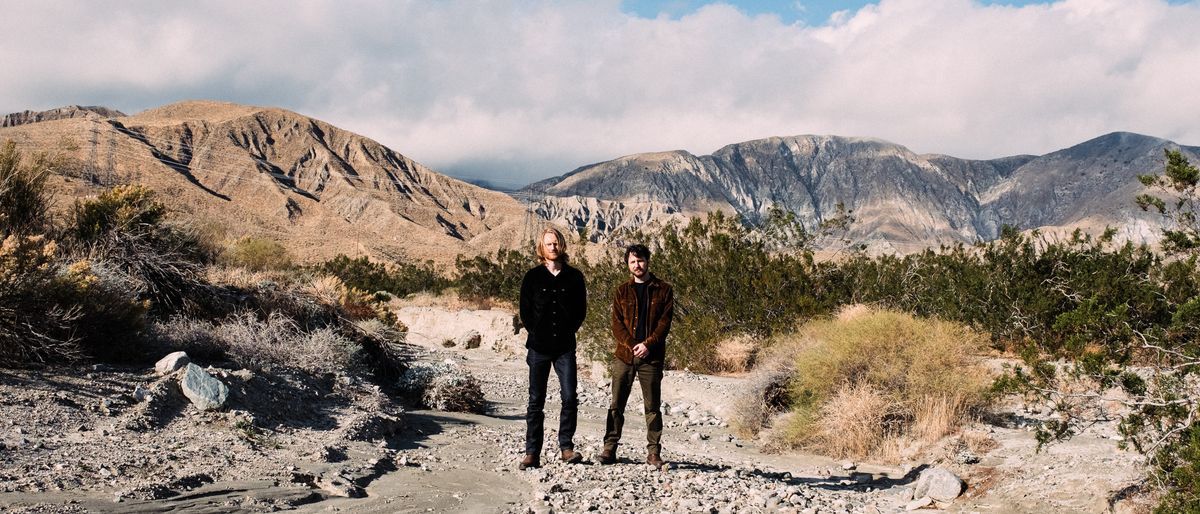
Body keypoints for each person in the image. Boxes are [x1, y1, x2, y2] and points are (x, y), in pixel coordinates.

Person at [598, 243, 674, 467]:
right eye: (632, 261)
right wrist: (633, 344)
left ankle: (653, 452)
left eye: (640, 260)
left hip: (651, 357)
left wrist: (648, 344)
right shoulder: (622, 290)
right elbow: (616, 324)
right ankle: (609, 448)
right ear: (627, 265)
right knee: (616, 404)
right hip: (624, 356)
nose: (637, 265)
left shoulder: (664, 289)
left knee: (652, 407)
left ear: (648, 261)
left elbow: (664, 323)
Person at [518, 227, 587, 470]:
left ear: (562, 245)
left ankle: (566, 447)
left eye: (556, 243)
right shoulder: (532, 277)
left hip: (565, 347)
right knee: (536, 400)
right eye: (548, 244)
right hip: (538, 347)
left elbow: (581, 311)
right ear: (542, 248)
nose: (553, 247)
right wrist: (535, 330)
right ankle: (532, 452)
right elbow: (525, 311)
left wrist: (569, 330)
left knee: (569, 397)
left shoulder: (575, 277)